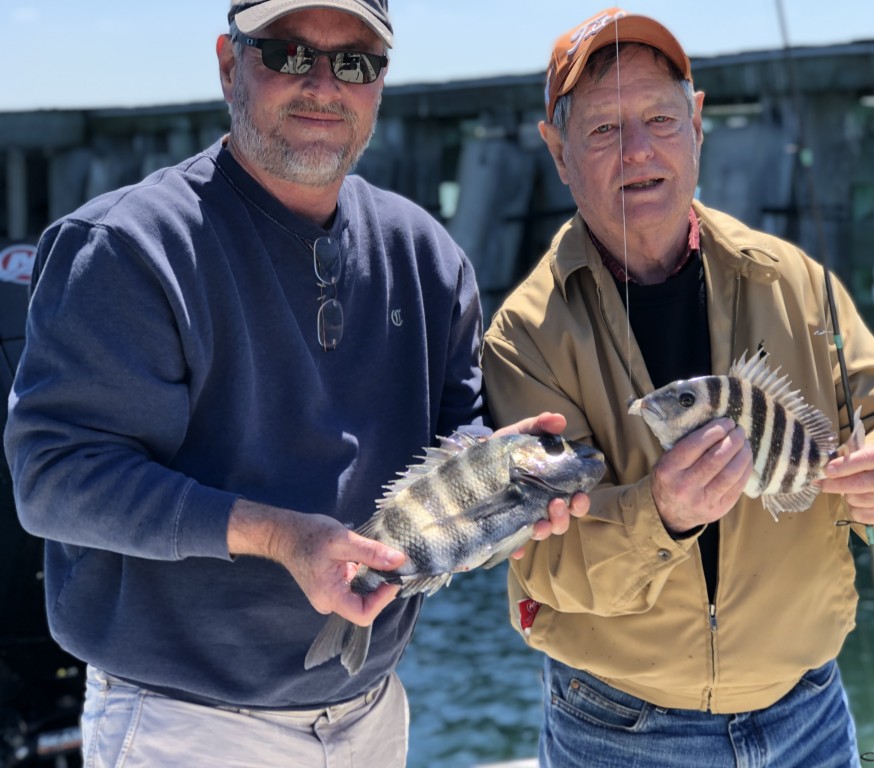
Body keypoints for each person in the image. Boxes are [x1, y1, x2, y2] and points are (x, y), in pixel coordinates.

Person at [3, 1, 587, 766]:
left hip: (372, 713)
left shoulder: (429, 256)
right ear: (227, 64)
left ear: (379, 83)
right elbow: (54, 480)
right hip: (184, 728)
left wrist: (506, 483)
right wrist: (280, 537)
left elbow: (460, 434)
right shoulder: (125, 248)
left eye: (355, 61)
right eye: (286, 53)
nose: (322, 83)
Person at [482, 8, 874, 768]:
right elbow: (540, 562)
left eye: (660, 119)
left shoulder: (796, 281)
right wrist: (657, 515)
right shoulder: (524, 337)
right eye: (603, 129)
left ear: (697, 125)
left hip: (810, 718)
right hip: (618, 732)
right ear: (557, 151)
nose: (639, 151)